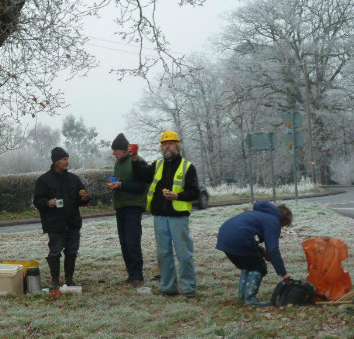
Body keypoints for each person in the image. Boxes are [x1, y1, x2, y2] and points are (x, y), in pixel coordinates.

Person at [132, 130, 200, 298]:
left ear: (177, 145)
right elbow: (141, 175)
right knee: (163, 254)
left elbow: (195, 192)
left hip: (178, 217)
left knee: (183, 254)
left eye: (169, 143)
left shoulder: (187, 167)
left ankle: (189, 289)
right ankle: (168, 288)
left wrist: (177, 196)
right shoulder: (157, 165)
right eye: (164, 144)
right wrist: (134, 159)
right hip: (160, 216)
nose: (166, 146)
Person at [33, 147, 90, 288]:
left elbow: (81, 200)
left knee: (72, 252)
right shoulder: (43, 180)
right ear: (56, 162)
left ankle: (69, 280)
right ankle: (55, 281)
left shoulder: (74, 179)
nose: (67, 162)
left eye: (67, 159)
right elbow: (37, 201)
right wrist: (48, 203)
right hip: (54, 224)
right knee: (55, 252)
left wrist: (84, 198)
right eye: (64, 159)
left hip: (73, 223)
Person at [216, 201, 292, 306]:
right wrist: (283, 273)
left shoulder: (259, 214)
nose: (282, 227)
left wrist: (262, 252)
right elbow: (273, 249)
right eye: (285, 225)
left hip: (224, 238)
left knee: (248, 265)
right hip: (239, 238)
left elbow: (250, 235)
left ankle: (242, 298)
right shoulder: (273, 221)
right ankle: (250, 300)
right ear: (284, 219)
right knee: (258, 266)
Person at [108, 133, 149, 287]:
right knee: (124, 243)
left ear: (123, 150)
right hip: (120, 207)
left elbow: (142, 186)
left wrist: (121, 185)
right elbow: (119, 180)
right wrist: (113, 183)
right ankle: (131, 275)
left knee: (132, 242)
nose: (113, 153)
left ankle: (138, 276)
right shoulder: (118, 164)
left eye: (115, 150)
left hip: (133, 207)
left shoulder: (137, 161)